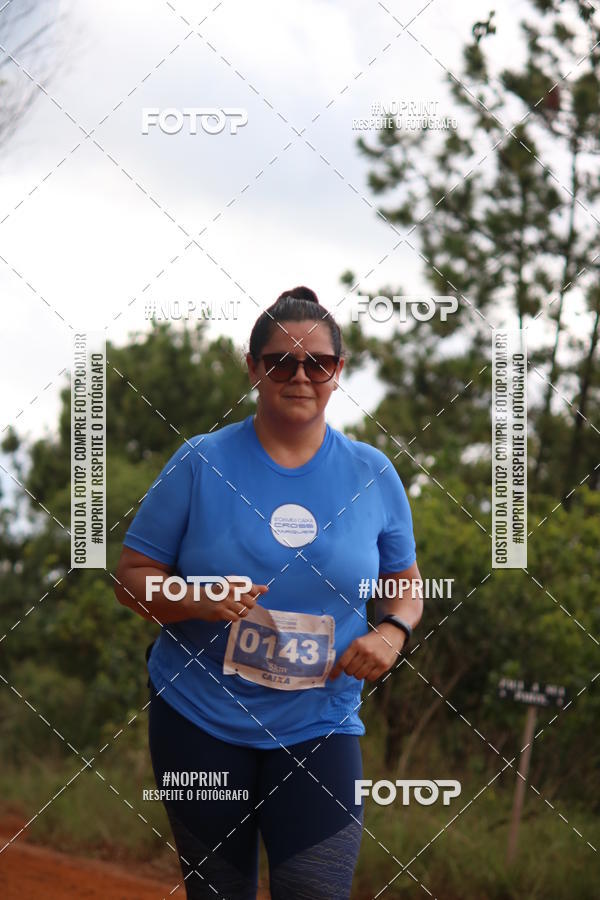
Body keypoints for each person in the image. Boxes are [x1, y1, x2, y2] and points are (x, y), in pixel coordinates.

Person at [114, 286, 423, 900]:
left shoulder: (373, 473)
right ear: (253, 368)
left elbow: (404, 584)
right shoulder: (200, 462)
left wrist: (393, 631)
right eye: (281, 362)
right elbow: (132, 576)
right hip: (200, 716)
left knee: (315, 890)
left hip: (321, 720)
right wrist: (196, 599)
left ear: (339, 370)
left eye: (318, 363)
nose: (300, 376)